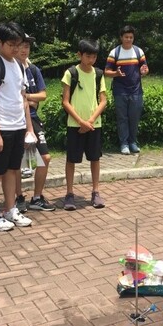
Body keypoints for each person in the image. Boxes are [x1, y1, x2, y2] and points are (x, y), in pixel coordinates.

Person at [0, 22, 35, 231]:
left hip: (17, 125)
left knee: (13, 170)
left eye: (18, 44)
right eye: (11, 44)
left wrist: (27, 127)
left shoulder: (19, 64)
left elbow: (22, 97)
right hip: (0, 127)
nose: (16, 49)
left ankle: (10, 209)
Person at [61, 39, 108, 210]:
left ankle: (96, 192)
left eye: (94, 56)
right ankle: (69, 193)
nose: (91, 59)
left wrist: (89, 121)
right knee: (71, 159)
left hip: (94, 124)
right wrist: (81, 121)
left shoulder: (99, 74)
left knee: (95, 158)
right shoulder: (71, 73)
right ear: (79, 55)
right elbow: (65, 102)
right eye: (88, 56)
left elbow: (103, 101)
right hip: (75, 124)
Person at [14, 36, 55, 213]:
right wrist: (28, 100)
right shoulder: (10, 69)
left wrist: (28, 98)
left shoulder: (33, 70)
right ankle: (18, 197)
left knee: (45, 158)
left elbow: (43, 95)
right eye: (21, 46)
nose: (24, 50)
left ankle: (37, 198)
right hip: (15, 120)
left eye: (27, 47)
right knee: (16, 162)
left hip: (33, 118)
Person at [104, 26, 149, 155]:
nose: (128, 39)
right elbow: (107, 72)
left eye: (131, 37)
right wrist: (116, 73)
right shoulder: (115, 52)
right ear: (121, 38)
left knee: (134, 117)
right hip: (120, 91)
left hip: (136, 90)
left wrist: (144, 71)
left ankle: (133, 142)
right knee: (122, 118)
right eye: (126, 37)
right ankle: (123, 143)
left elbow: (145, 68)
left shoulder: (138, 51)